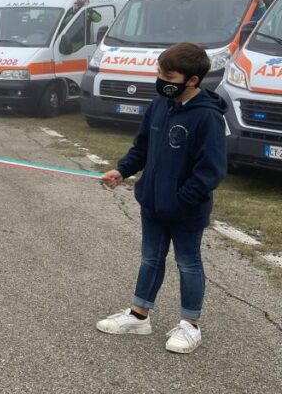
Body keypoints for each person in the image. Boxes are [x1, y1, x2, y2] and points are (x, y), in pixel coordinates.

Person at [97, 42, 227, 354]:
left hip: (186, 210)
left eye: (169, 76)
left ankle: (190, 325)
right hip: (152, 204)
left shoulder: (207, 117)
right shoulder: (158, 105)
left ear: (192, 80)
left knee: (188, 263)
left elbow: (211, 171)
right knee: (150, 259)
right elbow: (142, 147)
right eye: (159, 73)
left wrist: (182, 200)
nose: (160, 80)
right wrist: (122, 170)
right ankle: (139, 315)